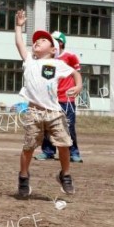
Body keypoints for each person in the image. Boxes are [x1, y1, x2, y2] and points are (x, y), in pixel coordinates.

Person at [14, 10, 83, 198]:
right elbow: (20, 43)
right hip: (34, 112)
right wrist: (19, 26)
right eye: (36, 40)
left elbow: (75, 73)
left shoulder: (57, 64)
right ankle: (23, 176)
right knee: (28, 147)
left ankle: (65, 174)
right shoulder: (29, 61)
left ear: (53, 50)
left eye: (43, 40)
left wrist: (78, 86)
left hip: (53, 112)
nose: (37, 42)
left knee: (64, 143)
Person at [35, 31, 83, 163]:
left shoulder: (70, 57)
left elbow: (76, 74)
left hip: (66, 98)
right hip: (49, 98)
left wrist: (78, 87)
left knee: (69, 126)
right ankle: (48, 151)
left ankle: (73, 152)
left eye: (52, 40)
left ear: (60, 43)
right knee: (47, 126)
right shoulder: (47, 58)